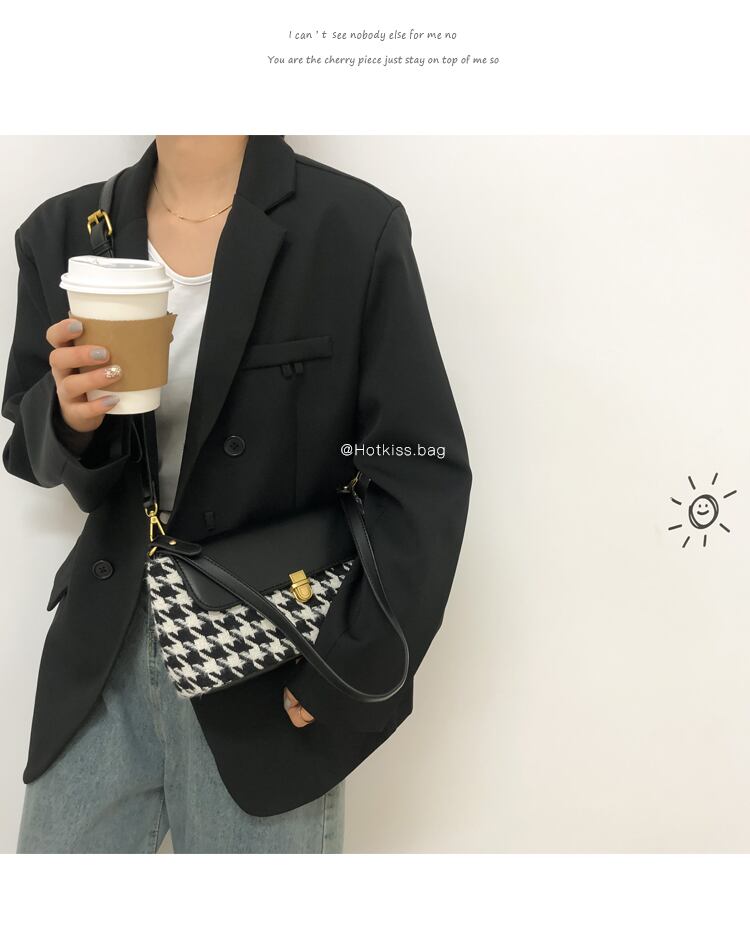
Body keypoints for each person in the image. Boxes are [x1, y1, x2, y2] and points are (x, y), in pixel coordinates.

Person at [2, 135, 472, 853]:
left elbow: (419, 468)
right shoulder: (63, 230)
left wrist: (350, 665)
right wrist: (68, 418)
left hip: (272, 663)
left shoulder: (351, 229)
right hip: (103, 653)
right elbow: (38, 454)